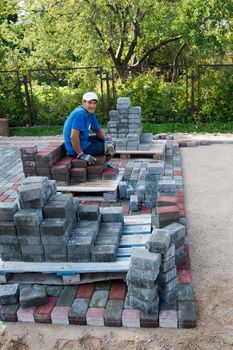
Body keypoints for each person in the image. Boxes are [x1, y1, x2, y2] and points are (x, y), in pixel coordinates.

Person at [63, 92, 115, 164]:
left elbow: (98, 130)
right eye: (89, 103)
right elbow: (73, 136)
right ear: (83, 102)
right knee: (108, 148)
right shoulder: (80, 113)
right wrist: (81, 155)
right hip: (74, 148)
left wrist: (107, 140)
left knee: (109, 140)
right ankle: (103, 166)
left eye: (94, 103)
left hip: (83, 140)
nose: (92, 106)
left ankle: (104, 166)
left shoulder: (90, 114)